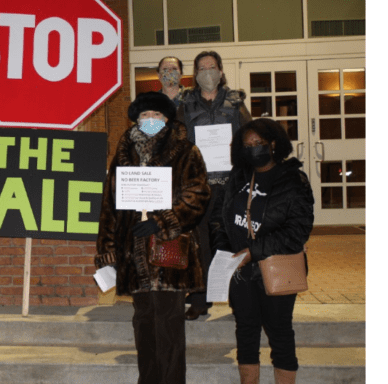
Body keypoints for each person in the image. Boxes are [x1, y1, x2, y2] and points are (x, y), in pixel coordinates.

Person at [95, 92, 211, 384]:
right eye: (144, 115)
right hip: (133, 250)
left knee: (169, 321)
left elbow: (197, 195)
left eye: (157, 115)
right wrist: (107, 248)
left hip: (169, 246)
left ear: (168, 119)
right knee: (143, 321)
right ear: (136, 119)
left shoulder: (186, 151)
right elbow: (109, 204)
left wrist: (162, 221)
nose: (150, 120)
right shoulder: (123, 154)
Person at [210, 118, 314, 384]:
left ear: (273, 144)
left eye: (258, 144)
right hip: (239, 270)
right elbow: (220, 218)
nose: (253, 149)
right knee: (245, 330)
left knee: (279, 332)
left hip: (276, 267)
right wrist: (225, 251)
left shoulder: (293, 180)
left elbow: (296, 232)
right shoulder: (238, 176)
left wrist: (251, 252)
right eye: (247, 145)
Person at [177, 50, 253, 320]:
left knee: (232, 240)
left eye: (212, 66)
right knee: (199, 245)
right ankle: (200, 299)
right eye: (201, 67)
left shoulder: (235, 103)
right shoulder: (185, 105)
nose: (207, 71)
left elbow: (250, 136)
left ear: (220, 71)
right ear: (195, 74)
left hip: (230, 184)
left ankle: (238, 299)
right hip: (197, 185)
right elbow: (176, 140)